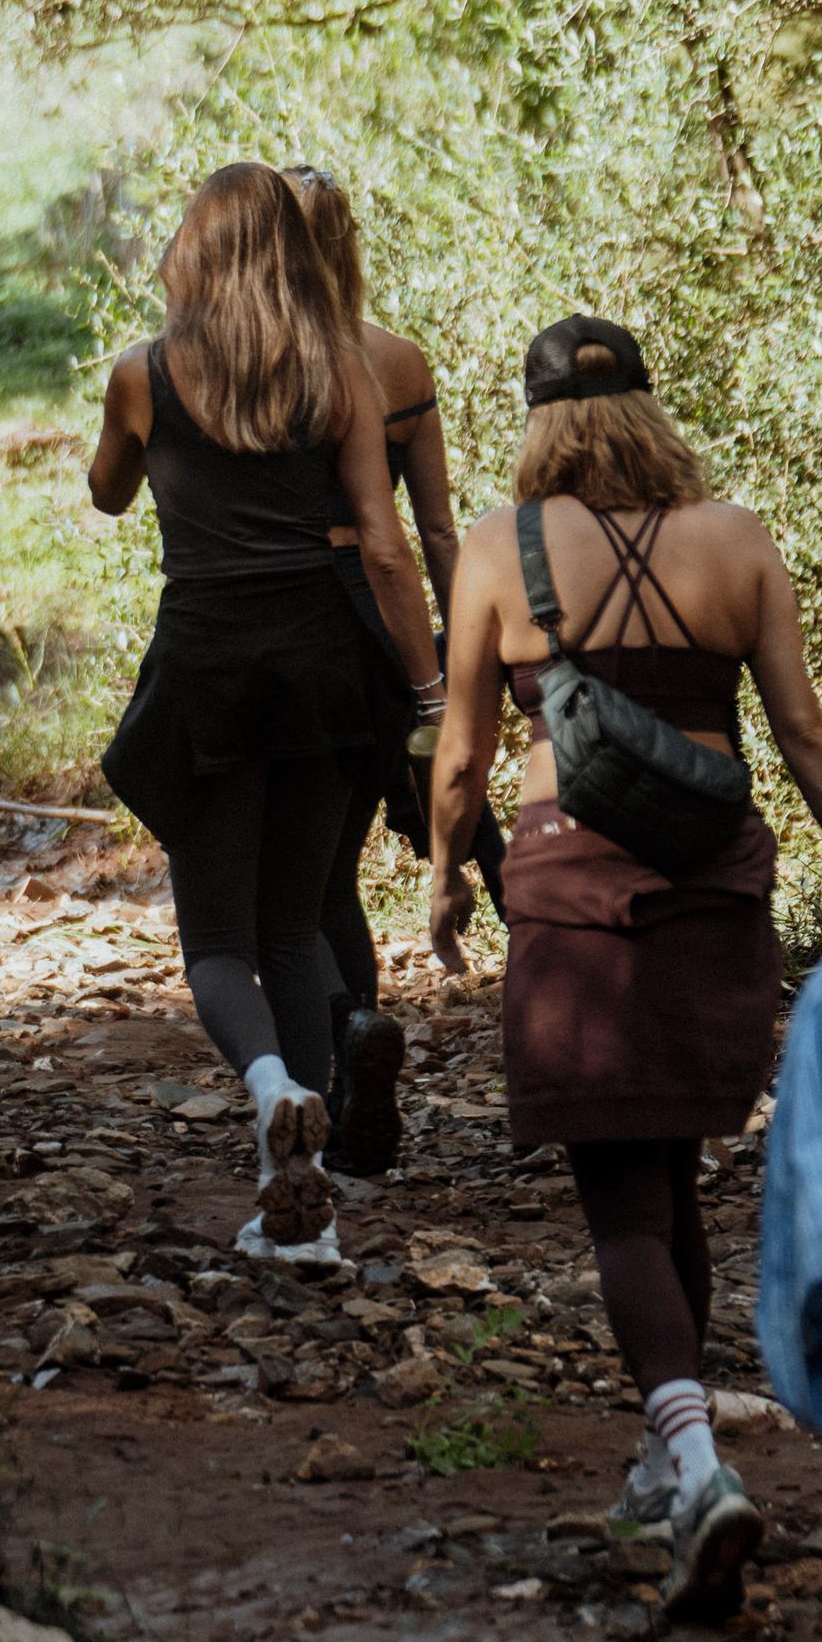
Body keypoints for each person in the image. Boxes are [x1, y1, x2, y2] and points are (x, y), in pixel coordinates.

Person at [426, 315, 822, 1617]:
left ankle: (695, 1464)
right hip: (714, 885)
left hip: (573, 890)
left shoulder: (500, 549)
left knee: (622, 1199)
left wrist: (447, 875)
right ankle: (662, 1456)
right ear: (647, 411)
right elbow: (802, 730)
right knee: (670, 1168)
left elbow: (461, 755)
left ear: (538, 422)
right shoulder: (736, 540)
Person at [90, 164, 444, 1249]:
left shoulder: (144, 373)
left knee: (215, 941)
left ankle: (271, 1090)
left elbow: (107, 493)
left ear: (194, 251)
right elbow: (383, 543)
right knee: (294, 927)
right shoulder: (341, 373)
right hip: (324, 668)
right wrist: (429, 688)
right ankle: (313, 1204)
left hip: (208, 668)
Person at [285, 163, 507, 1177]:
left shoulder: (257, 368)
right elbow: (436, 531)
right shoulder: (398, 361)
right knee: (464, 822)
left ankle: (348, 1050)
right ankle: (581, 1029)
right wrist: (465, 654)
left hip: (300, 617)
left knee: (319, 876)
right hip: (396, 625)